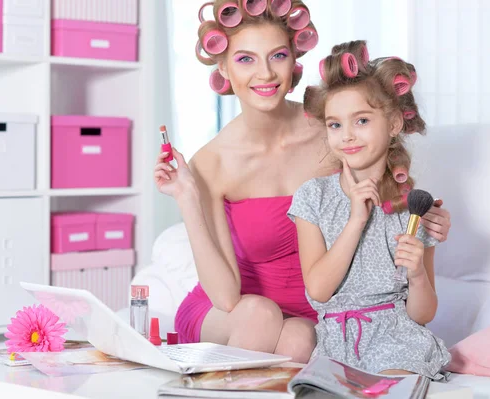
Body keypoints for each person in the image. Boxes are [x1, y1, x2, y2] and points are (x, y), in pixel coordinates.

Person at [154, 1, 451, 364]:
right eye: (245, 59)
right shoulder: (212, 162)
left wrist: (428, 222)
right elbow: (227, 298)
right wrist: (188, 198)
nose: (264, 74)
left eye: (276, 56)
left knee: (298, 339)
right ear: (223, 67)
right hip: (235, 314)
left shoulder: (332, 128)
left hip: (316, 312)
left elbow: (382, 190)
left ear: (293, 61)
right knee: (260, 315)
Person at [287, 40, 451, 378]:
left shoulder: (413, 207)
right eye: (335, 124)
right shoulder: (312, 196)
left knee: (389, 387)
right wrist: (355, 221)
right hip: (335, 341)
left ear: (392, 124)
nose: (347, 135)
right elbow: (318, 289)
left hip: (396, 340)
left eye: (361, 121)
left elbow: (422, 314)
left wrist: (418, 273)